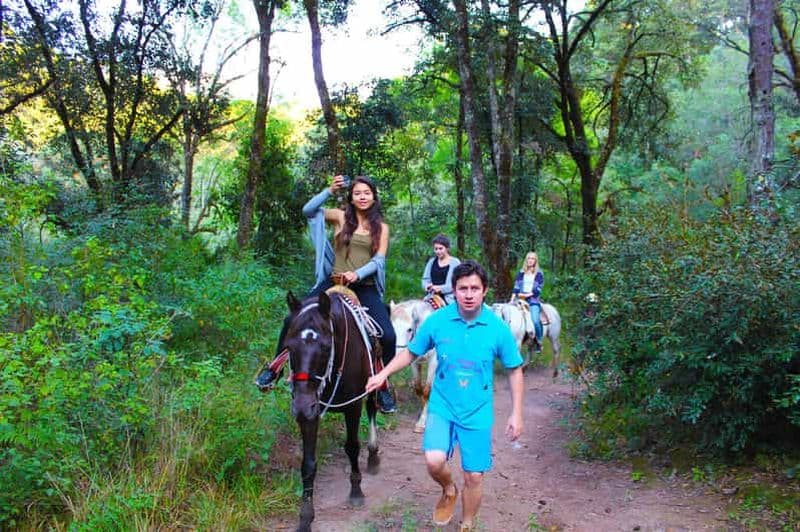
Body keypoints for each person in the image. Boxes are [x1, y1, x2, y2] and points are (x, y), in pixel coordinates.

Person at [366, 260, 524, 530]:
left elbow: (514, 370)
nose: (469, 293)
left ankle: (468, 522)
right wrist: (383, 374)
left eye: (475, 288)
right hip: (442, 406)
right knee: (434, 461)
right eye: (463, 288)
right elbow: (411, 352)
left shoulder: (497, 328)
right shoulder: (438, 321)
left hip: (477, 409)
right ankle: (449, 489)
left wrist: (516, 413)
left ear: (484, 290)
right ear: (455, 290)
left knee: (474, 475)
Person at [260, 175, 398, 414]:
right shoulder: (340, 216)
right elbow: (308, 210)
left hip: (363, 287)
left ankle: (381, 384)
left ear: (374, 196)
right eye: (357, 193)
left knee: (387, 335)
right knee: (292, 319)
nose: (362, 197)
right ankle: (275, 367)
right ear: (351, 197)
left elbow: (379, 260)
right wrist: (328, 190)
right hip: (332, 281)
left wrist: (357, 274)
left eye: (366, 193)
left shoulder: (382, 228)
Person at [512, 251, 544, 352]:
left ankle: (538, 341)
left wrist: (526, 295)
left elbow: (538, 289)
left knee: (535, 320)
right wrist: (512, 299)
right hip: (520, 299)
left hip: (533, 299)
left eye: (532, 258)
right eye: (529, 258)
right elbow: (516, 287)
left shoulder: (539, 273)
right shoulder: (521, 273)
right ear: (526, 260)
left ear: (535, 261)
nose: (530, 260)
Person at [421, 234, 461, 306]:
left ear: (447, 248)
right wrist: (427, 286)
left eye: (440, 248)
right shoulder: (431, 262)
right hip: (432, 297)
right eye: (436, 249)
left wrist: (440, 288)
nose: (438, 251)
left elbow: (458, 283)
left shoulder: (455, 262)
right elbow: (425, 280)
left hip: (450, 298)